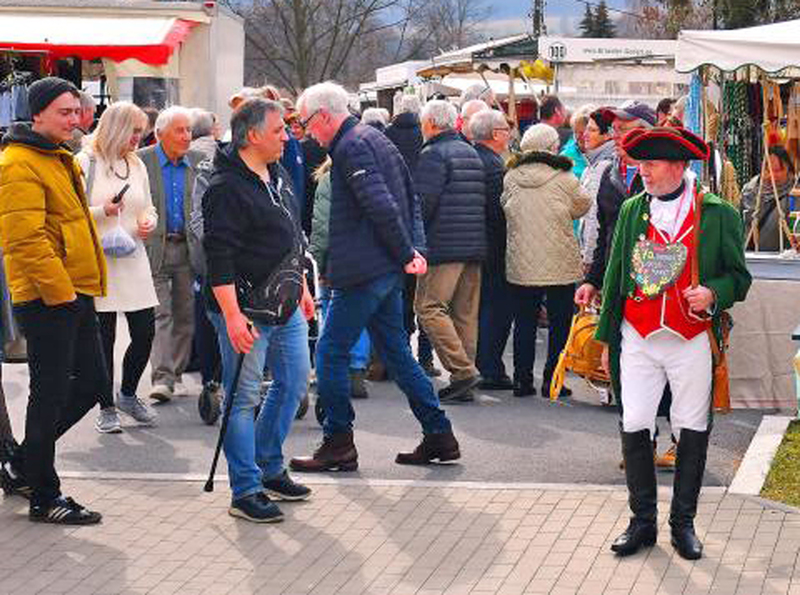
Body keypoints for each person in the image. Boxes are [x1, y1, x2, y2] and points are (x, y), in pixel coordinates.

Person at [596, 126, 751, 560]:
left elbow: (739, 278)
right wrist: (608, 339)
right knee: (635, 420)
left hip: (691, 338)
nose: (642, 171)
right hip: (638, 336)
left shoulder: (717, 213)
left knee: (690, 426)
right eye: (640, 163)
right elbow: (615, 276)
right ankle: (641, 521)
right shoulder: (632, 209)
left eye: (651, 164)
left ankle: (683, 524)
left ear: (679, 167)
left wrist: (713, 293)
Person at [290, 81, 459, 471]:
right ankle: (439, 433)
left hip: (364, 269)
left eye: (306, 123)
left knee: (330, 353)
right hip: (383, 268)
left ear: (324, 116)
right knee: (398, 354)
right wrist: (412, 251)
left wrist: (408, 252)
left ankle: (338, 442)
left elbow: (381, 203)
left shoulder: (352, 147)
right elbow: (407, 198)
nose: (306, 132)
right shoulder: (377, 140)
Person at [0, 77, 107, 524]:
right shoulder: (18, 162)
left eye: (76, 111)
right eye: (64, 112)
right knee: (49, 393)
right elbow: (24, 240)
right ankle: (44, 494)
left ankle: (26, 464)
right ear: (37, 113)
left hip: (73, 290)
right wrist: (61, 294)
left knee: (92, 383)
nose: (74, 119)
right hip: (49, 296)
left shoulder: (59, 157)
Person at [203, 97, 314, 523]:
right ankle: (245, 489)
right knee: (243, 396)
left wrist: (301, 285)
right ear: (252, 136)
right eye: (278, 131)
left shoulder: (278, 173)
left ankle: (269, 468)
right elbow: (220, 257)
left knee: (293, 382)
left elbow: (292, 237)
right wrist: (231, 315)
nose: (287, 136)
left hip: (284, 303)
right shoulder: (225, 188)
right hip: (244, 307)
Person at [78, 102, 159, 433]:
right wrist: (102, 212)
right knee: (104, 338)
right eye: (134, 131)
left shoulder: (135, 162)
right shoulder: (85, 161)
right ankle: (106, 405)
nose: (139, 138)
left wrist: (148, 222)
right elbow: (71, 212)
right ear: (116, 129)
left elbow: (149, 205)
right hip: (99, 260)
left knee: (145, 332)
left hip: (133, 256)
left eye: (141, 131)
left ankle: (127, 393)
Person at [502, 124, 590, 397]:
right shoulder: (564, 176)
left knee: (524, 322)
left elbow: (504, 205)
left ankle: (521, 380)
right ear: (552, 147)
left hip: (521, 260)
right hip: (558, 262)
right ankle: (553, 379)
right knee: (559, 323)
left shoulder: (511, 175)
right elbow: (583, 204)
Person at [414, 100, 487, 403]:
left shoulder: (433, 154)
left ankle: (463, 371)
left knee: (428, 307)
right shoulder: (470, 151)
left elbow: (425, 203)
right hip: (473, 244)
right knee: (465, 314)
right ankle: (464, 374)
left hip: (444, 245)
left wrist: (417, 240)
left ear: (430, 123)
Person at [139, 106, 203, 402]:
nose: (187, 136)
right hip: (155, 248)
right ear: (160, 133)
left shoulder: (199, 162)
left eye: (189, 130)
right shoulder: (143, 161)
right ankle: (162, 378)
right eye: (180, 130)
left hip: (189, 250)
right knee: (160, 314)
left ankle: (175, 372)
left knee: (185, 314)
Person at [309, 157, 371, 399]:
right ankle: (357, 370)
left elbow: (322, 226)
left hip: (338, 258)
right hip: (367, 258)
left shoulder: (329, 180)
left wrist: (318, 263)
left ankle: (332, 371)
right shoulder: (369, 176)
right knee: (360, 315)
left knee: (330, 313)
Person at [384, 94, 438, 376]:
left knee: (399, 297)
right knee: (424, 297)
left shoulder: (384, 136)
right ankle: (426, 359)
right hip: (423, 227)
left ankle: (399, 357)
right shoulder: (426, 140)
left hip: (395, 226)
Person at [471, 110, 514, 391]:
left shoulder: (471, 157)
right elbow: (499, 212)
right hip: (492, 246)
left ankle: (480, 363)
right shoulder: (495, 167)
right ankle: (490, 367)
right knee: (495, 309)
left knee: (476, 308)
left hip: (474, 244)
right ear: (496, 134)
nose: (509, 134)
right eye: (506, 129)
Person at [579, 108, 616, 270]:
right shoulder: (593, 165)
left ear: (608, 135)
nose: (585, 134)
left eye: (592, 130)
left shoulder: (604, 166)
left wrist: (588, 258)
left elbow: (594, 215)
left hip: (595, 258)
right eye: (586, 128)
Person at [741, 145, 795, 251]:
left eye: (778, 170)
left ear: (788, 169)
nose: (772, 175)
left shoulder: (794, 195)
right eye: (768, 170)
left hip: (784, 260)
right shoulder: (749, 191)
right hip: (752, 257)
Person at [561, 104, 596, 181]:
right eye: (575, 132)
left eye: (582, 132)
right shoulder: (566, 157)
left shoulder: (607, 155)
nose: (578, 136)